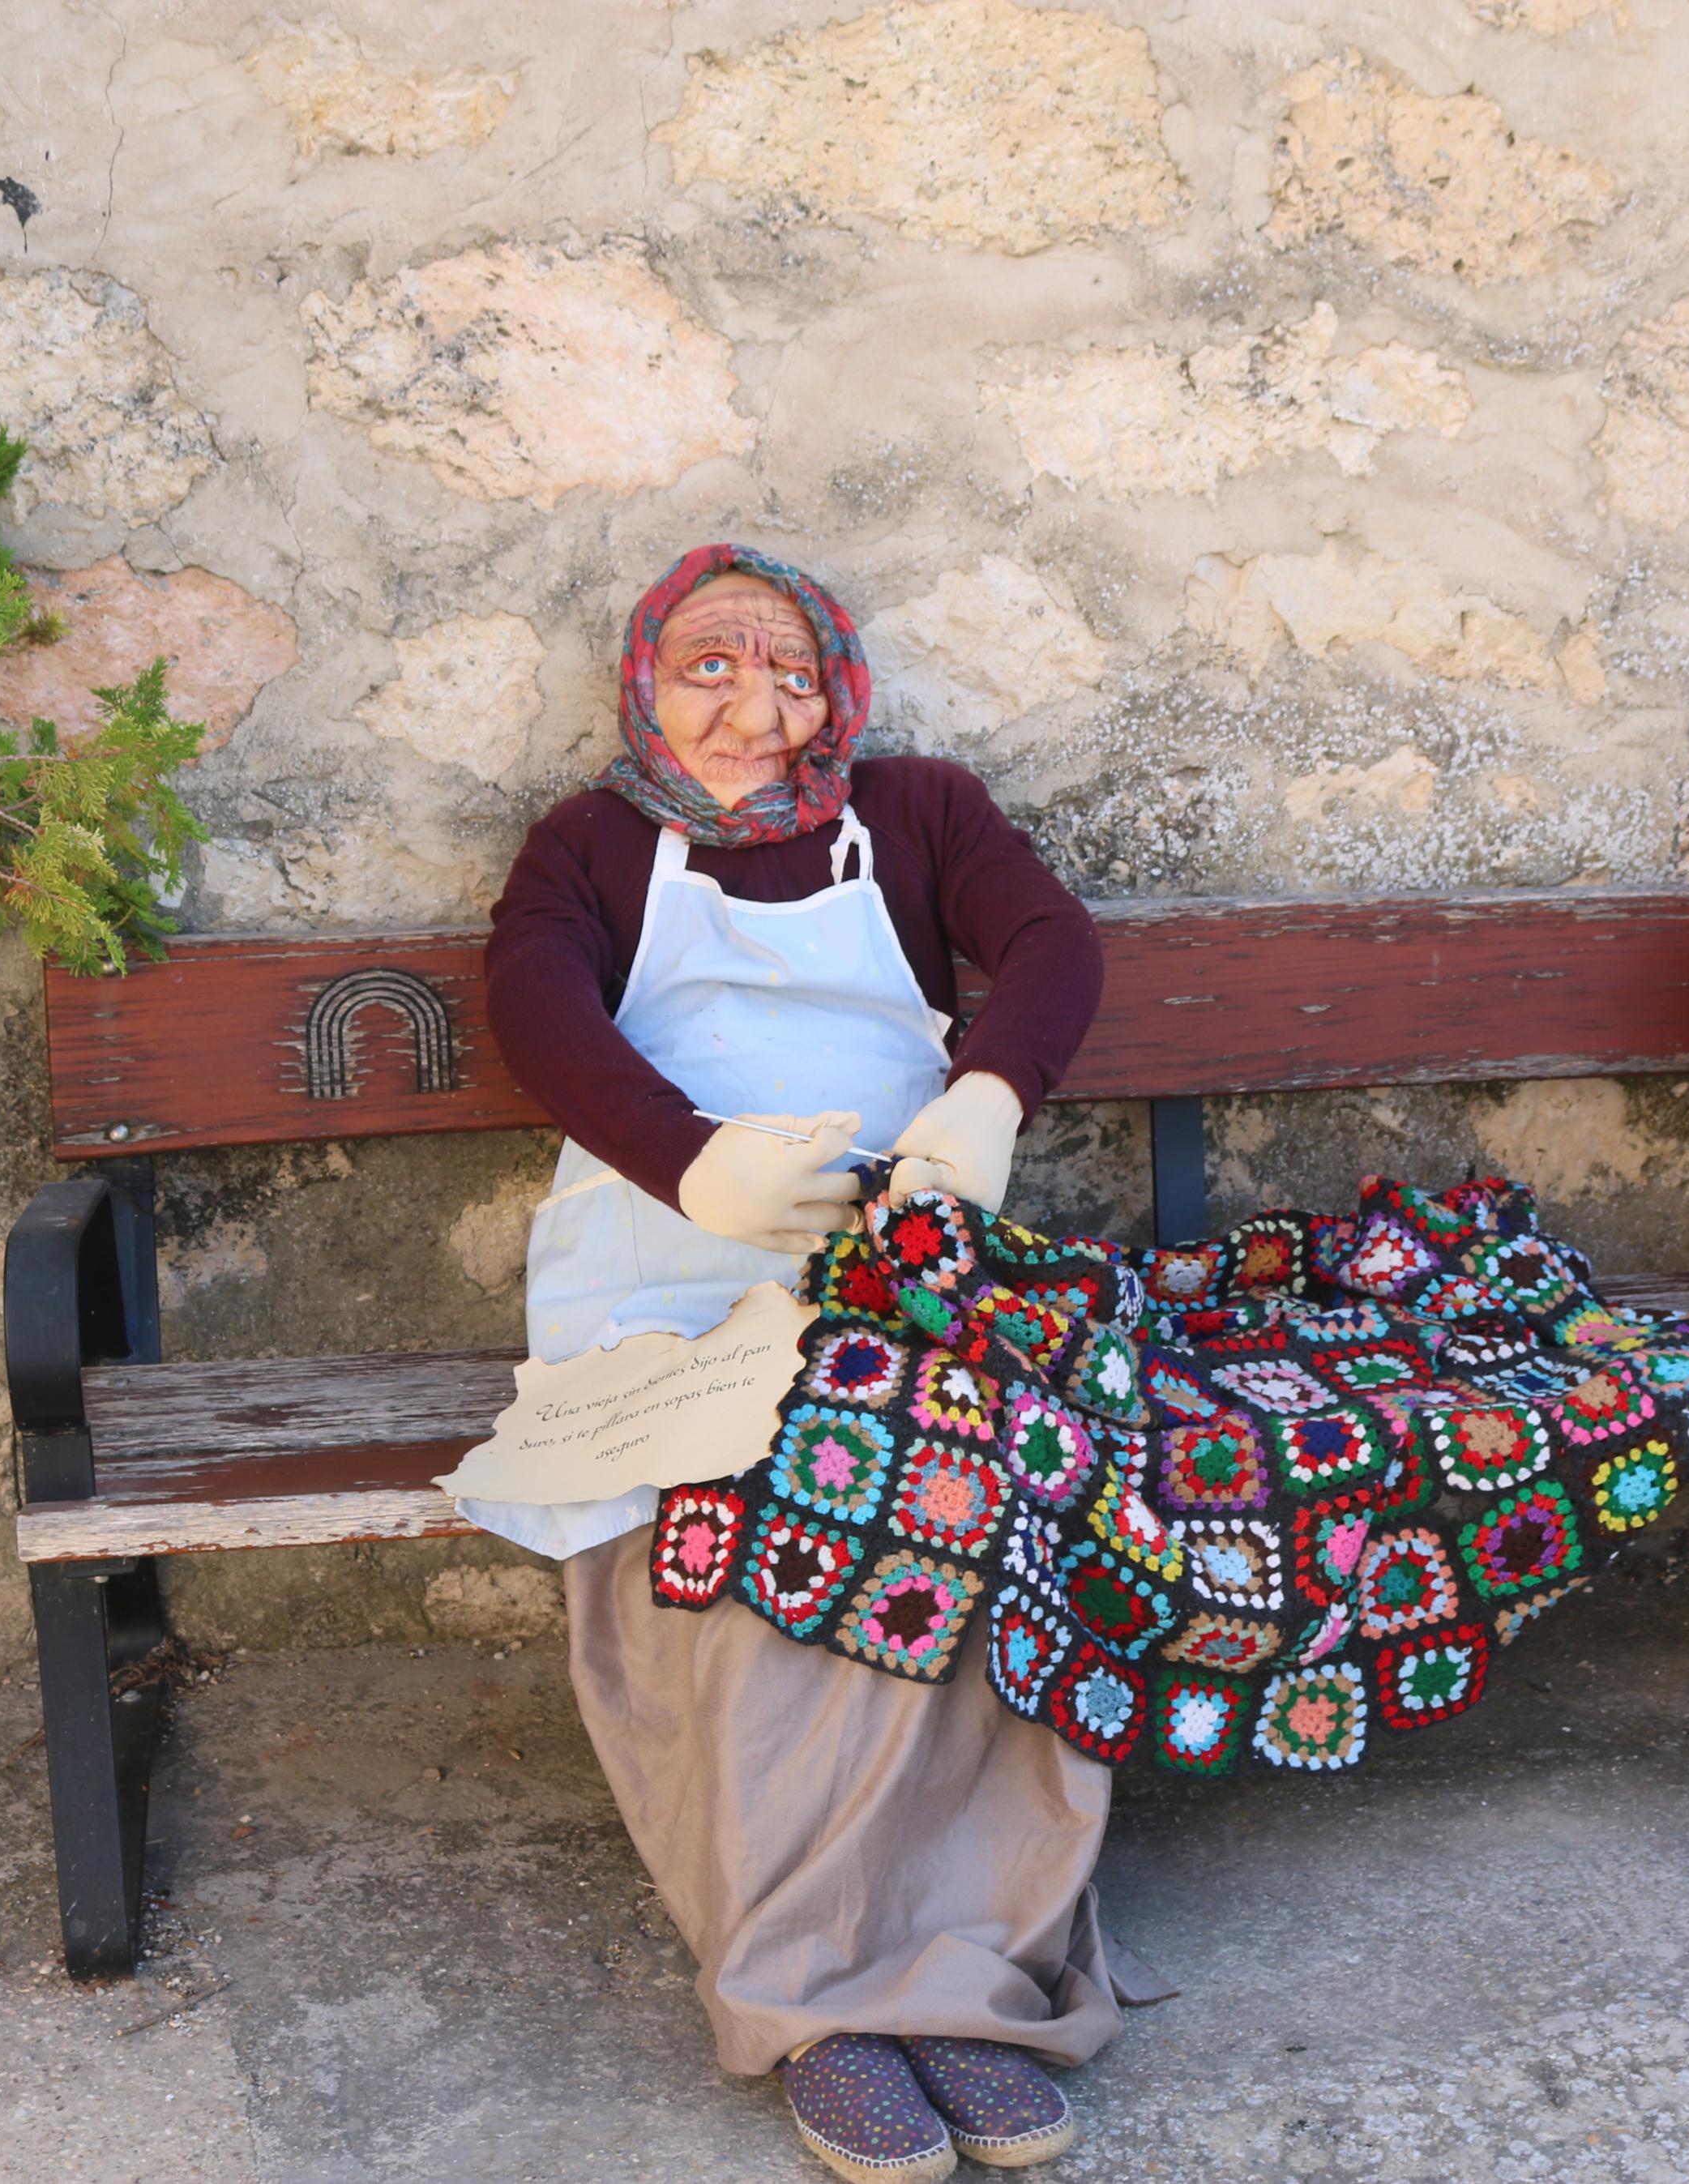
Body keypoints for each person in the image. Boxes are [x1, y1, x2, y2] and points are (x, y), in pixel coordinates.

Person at [481, 543, 1147, 2182]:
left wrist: (986, 1099)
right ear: (647, 680)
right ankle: (819, 2000)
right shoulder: (587, 844)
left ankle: (965, 1978)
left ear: (835, 689)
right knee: (746, 1501)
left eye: (786, 669)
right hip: (667, 1257)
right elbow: (536, 1006)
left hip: (901, 1247)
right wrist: (686, 1156)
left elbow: (1050, 944)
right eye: (708, 664)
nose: (749, 705)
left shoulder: (918, 812)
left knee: (991, 1473)